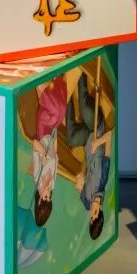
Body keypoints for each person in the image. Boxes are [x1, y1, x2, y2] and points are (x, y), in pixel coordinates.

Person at [65, 70, 112, 239]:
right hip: (96, 127)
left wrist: (80, 175)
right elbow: (110, 136)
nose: (92, 212)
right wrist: (98, 143)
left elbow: (83, 169)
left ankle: (66, 95)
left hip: (86, 139)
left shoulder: (85, 201)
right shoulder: (103, 179)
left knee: (71, 139)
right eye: (95, 214)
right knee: (85, 108)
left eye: (90, 217)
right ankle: (81, 71)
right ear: (100, 212)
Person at [30, 75, 68, 227]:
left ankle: (43, 88)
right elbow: (56, 156)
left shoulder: (37, 177)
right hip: (51, 133)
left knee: (54, 115)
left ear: (39, 199)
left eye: (44, 198)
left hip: (42, 132)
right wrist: (56, 133)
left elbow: (34, 143)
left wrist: (43, 154)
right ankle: (54, 83)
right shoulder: (52, 184)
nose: (47, 195)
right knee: (61, 111)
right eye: (49, 199)